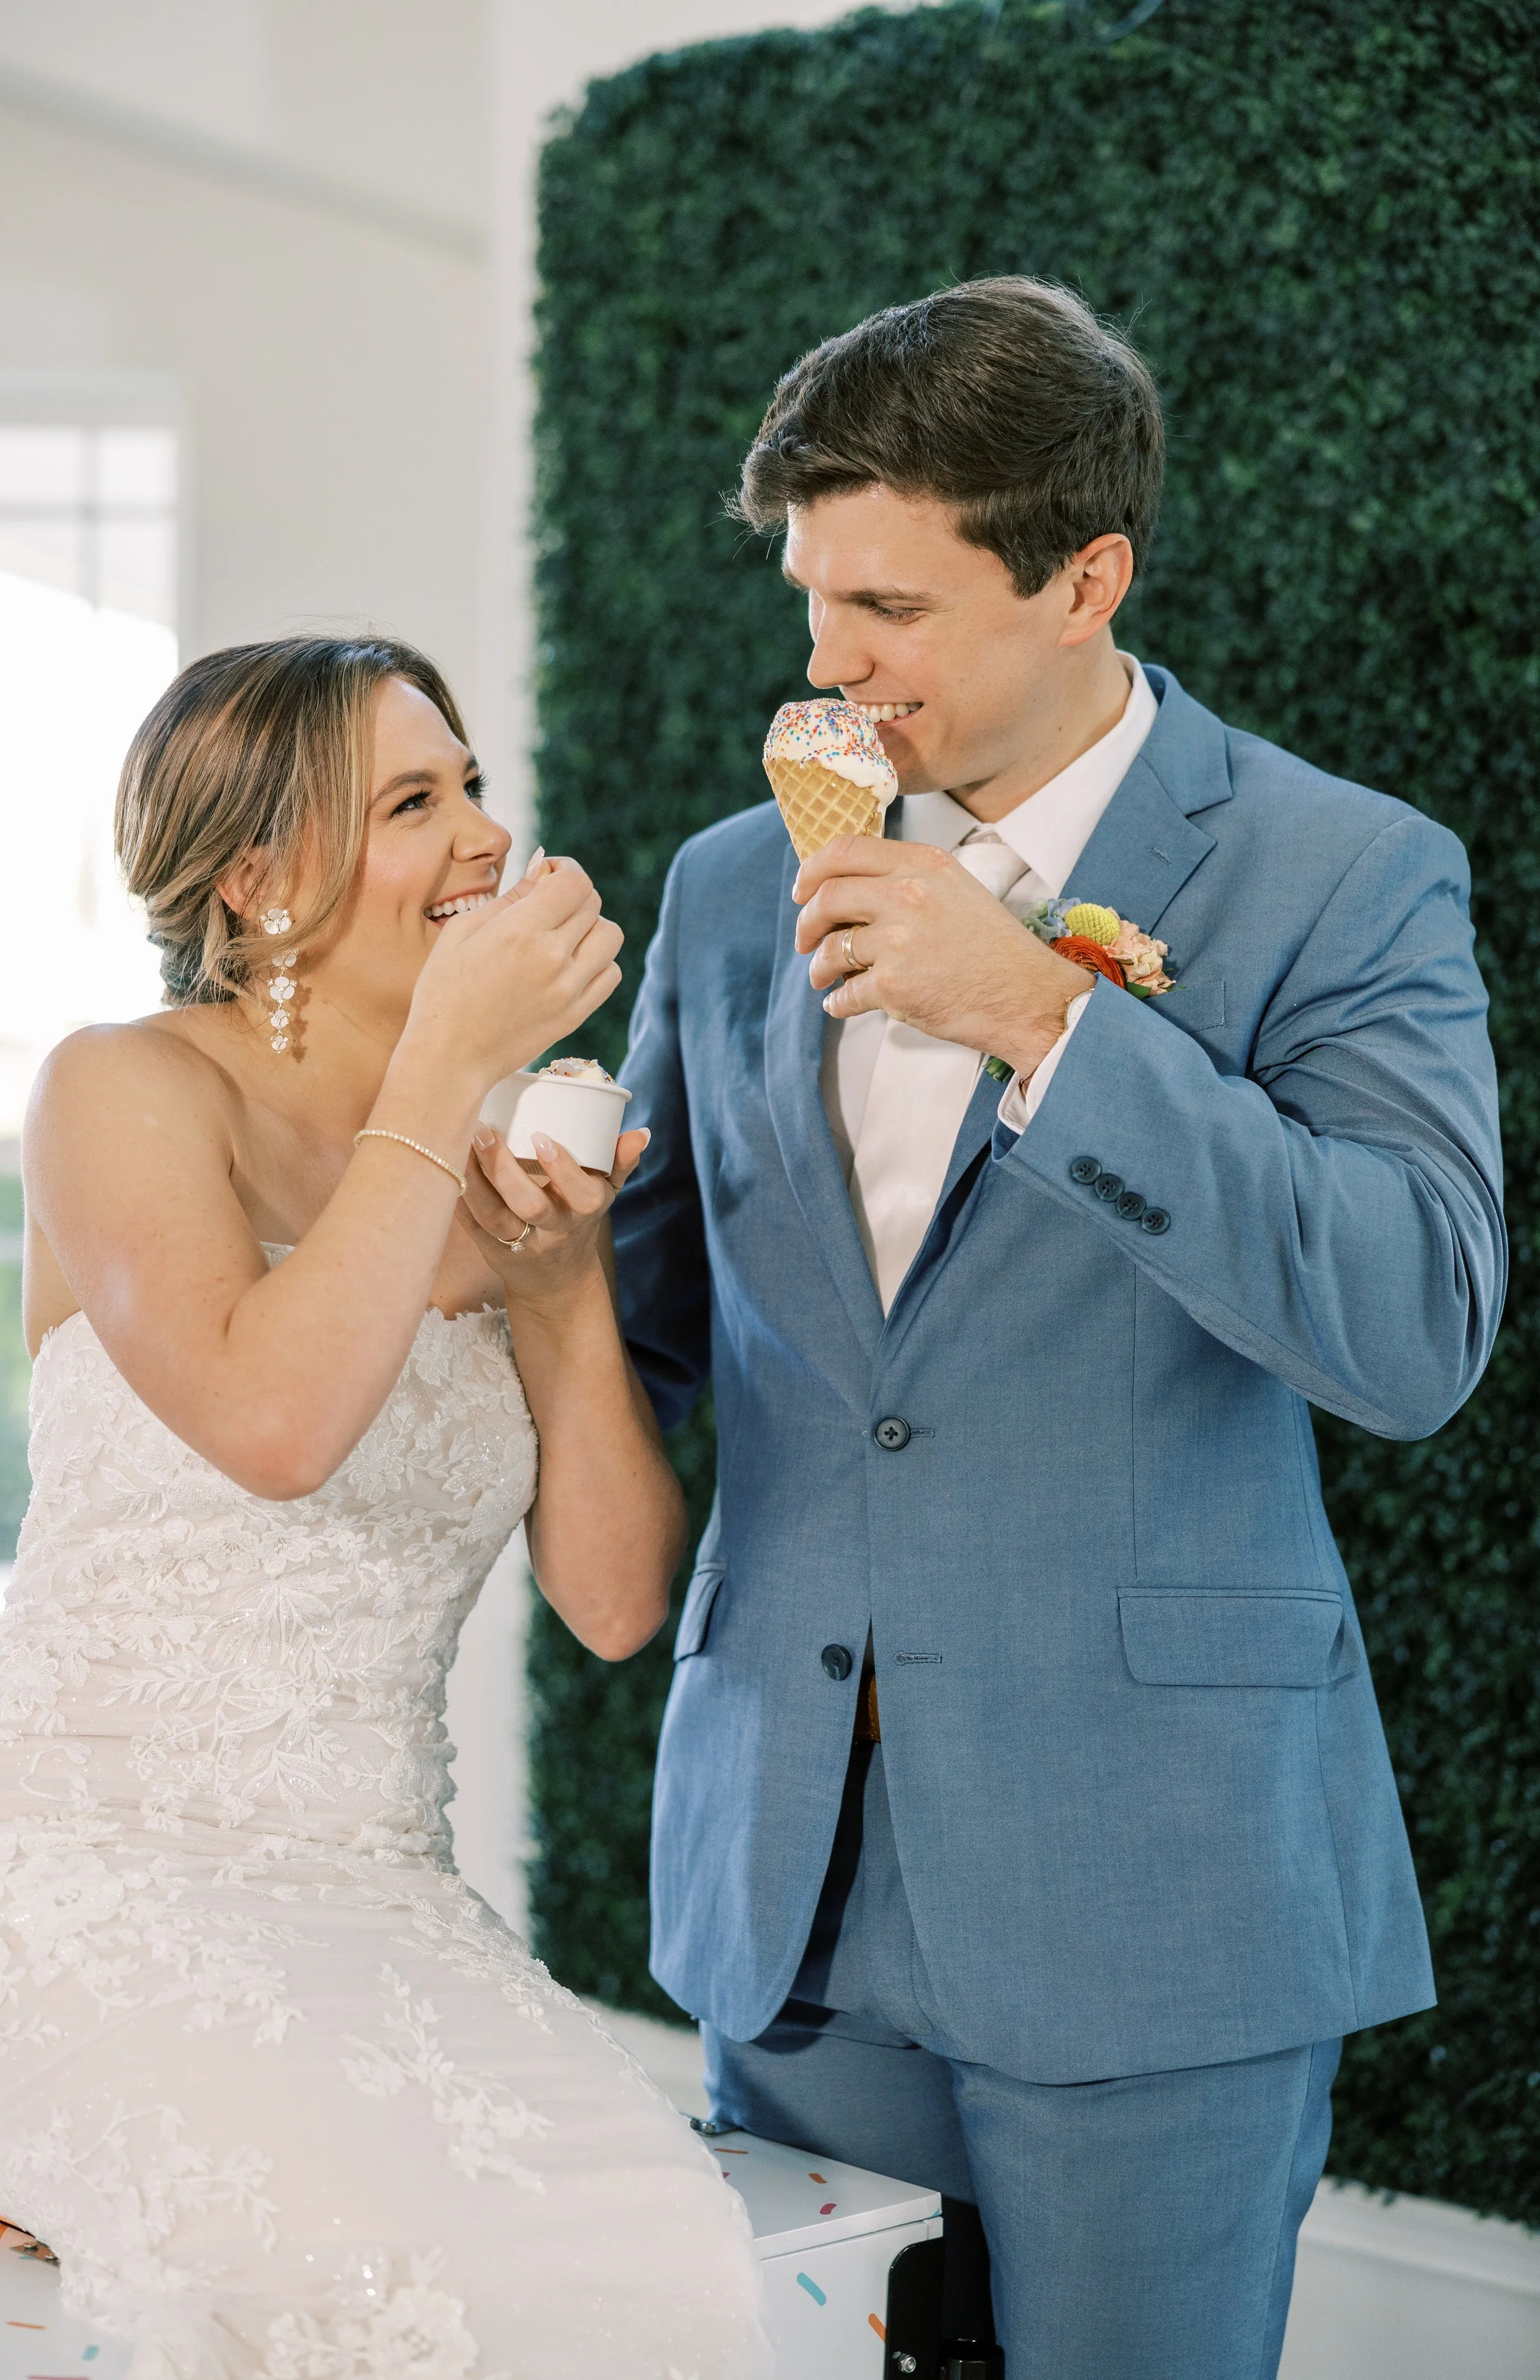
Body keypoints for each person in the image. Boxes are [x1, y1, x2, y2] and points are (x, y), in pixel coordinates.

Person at [612, 278, 1506, 2377]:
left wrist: (1040, 1016)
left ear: (1086, 575)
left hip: (1159, 1890)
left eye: (890, 608)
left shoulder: (1342, 873)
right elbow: (641, 1337)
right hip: (789, 1899)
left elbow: (1412, 1322)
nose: (825, 661)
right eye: (814, 595)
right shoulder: (729, 885)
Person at [0, 637, 771, 2380]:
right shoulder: (124, 1088)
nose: (481, 835)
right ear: (256, 880)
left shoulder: (499, 1148)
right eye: (413, 800)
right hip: (63, 1871)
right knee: (413, 2291)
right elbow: (274, 1422)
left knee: (664, 2270)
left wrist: (557, 1281)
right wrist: (444, 1072)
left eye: (471, 783)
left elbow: (619, 1602)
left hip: (371, 1895)